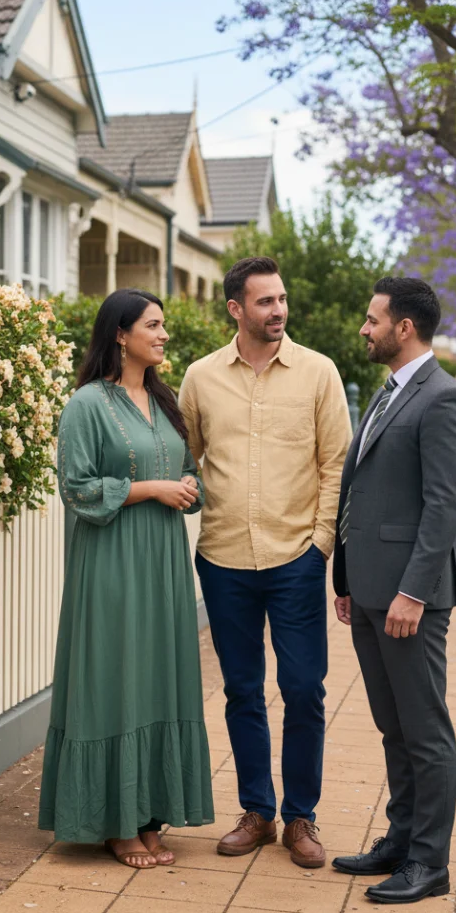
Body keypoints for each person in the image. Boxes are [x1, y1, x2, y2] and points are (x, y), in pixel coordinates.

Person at [179, 256, 350, 869]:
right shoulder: (200, 378)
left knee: (303, 689)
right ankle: (257, 810)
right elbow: (187, 458)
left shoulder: (319, 373)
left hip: (295, 559)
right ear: (235, 309)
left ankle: (301, 817)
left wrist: (321, 544)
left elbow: (337, 464)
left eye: (281, 300)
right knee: (241, 689)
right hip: (223, 559)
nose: (277, 311)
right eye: (264, 302)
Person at [39, 289, 214, 869]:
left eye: (164, 326)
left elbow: (186, 473)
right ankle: (113, 821)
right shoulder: (86, 404)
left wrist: (186, 489)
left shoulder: (163, 401)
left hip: (162, 562)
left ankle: (147, 814)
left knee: (157, 675)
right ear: (120, 333)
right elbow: (77, 487)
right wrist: (151, 490)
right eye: (153, 325)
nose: (164, 335)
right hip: (111, 561)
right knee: (114, 674)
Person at [331, 277, 456, 903]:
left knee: (425, 730)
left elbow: (444, 507)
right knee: (393, 727)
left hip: (408, 600)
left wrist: (413, 593)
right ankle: (400, 839)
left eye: (372, 320)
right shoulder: (390, 392)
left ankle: (429, 863)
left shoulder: (445, 399)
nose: (365, 329)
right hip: (367, 590)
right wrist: (343, 578)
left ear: (404, 328)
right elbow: (361, 489)